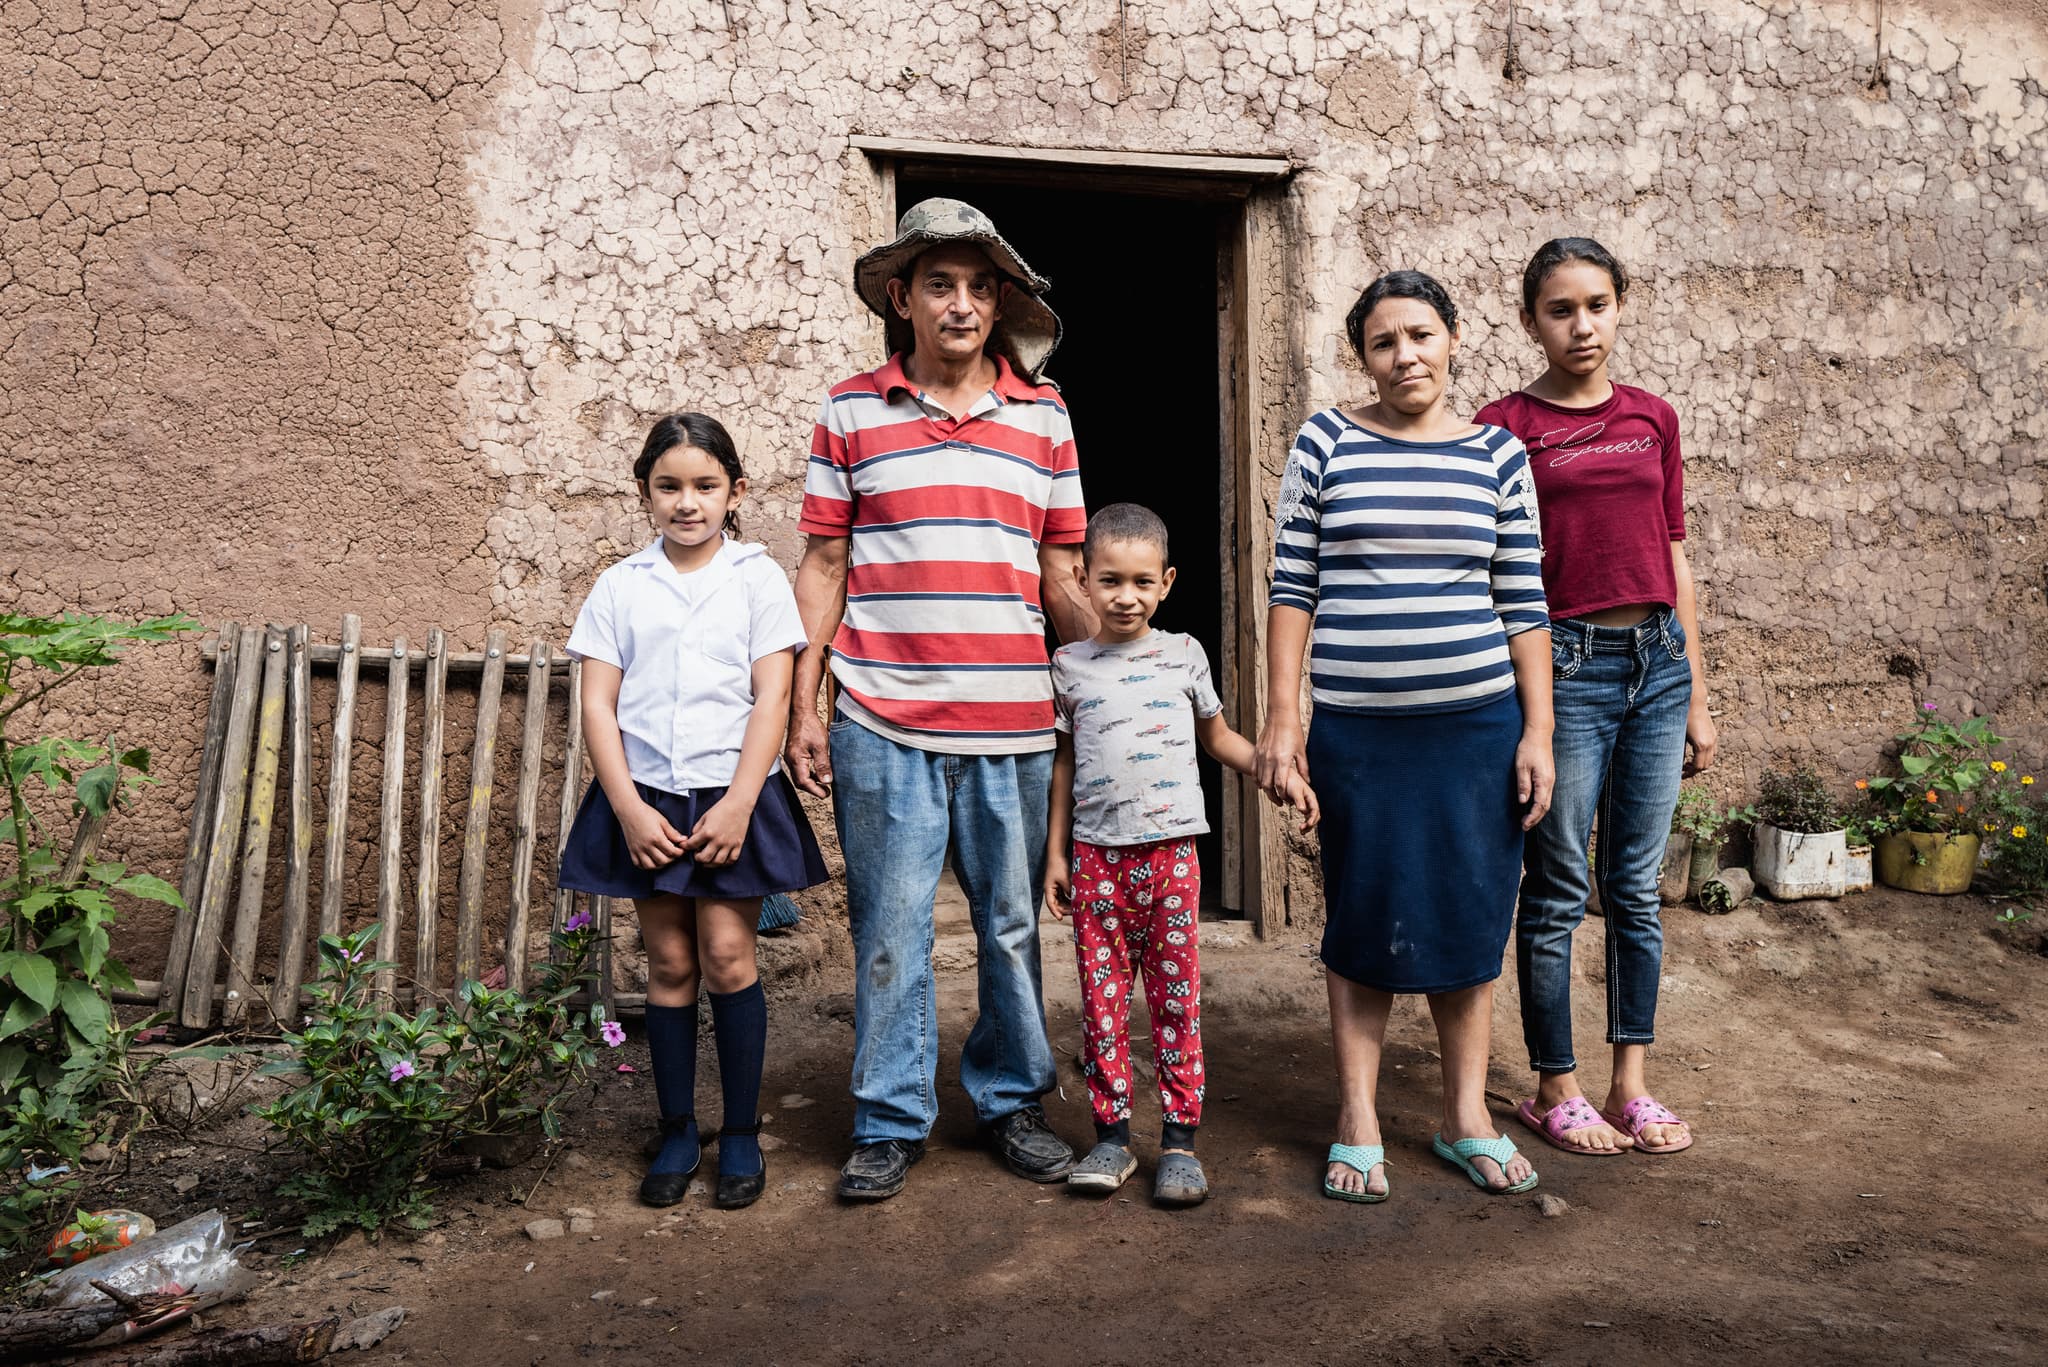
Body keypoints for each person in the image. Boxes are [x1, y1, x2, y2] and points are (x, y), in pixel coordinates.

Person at [786, 199, 1095, 1201]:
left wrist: (1118, 679)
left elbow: (1060, 573)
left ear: (997, 300)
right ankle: (887, 1115)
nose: (960, 303)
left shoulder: (1043, 417)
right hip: (880, 716)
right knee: (889, 924)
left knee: (1010, 923)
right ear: (899, 297)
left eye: (977, 285)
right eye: (938, 284)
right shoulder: (850, 411)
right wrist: (804, 706)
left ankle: (1009, 1099)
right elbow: (823, 564)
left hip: (1012, 719)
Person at [1254, 270, 1554, 1202]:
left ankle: (1467, 1116)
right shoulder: (1327, 442)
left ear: (1453, 340)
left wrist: (1537, 728)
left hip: (1475, 731)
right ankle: (1359, 1116)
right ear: (1363, 357)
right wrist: (1281, 718)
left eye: (1420, 335)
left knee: (1471, 912)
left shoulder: (1500, 455)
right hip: (1360, 736)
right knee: (1363, 912)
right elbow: (1292, 585)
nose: (1404, 356)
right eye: (1383, 342)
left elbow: (1524, 599)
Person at [557, 412, 828, 1210]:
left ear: (735, 491)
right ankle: (678, 1127)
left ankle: (739, 1133)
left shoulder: (755, 579)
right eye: (669, 487)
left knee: (727, 955)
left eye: (705, 486)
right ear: (645, 494)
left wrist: (744, 801)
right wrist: (629, 811)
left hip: (731, 792)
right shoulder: (621, 586)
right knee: (669, 963)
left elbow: (772, 693)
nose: (687, 503)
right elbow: (599, 707)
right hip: (646, 797)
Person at [1476, 238, 1710, 1158]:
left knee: (1636, 888)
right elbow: (1495, 567)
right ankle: (1554, 1086)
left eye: (1598, 304)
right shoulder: (1505, 426)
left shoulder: (1654, 417)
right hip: (1565, 666)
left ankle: (1631, 1085)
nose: (1583, 325)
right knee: (1559, 883)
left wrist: (1698, 689)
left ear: (1621, 307)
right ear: (1531, 320)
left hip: (1657, 660)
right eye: (1561, 310)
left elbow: (1675, 552)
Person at [1041, 503, 1319, 1207]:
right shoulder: (1069, 665)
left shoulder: (1184, 653)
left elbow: (1218, 738)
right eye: (1109, 580)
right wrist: (1055, 853)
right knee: (1102, 1005)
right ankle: (1109, 1137)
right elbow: (1064, 765)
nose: (1125, 596)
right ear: (1083, 578)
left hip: (1171, 860)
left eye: (1141, 581)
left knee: (1175, 1001)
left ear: (1166, 581)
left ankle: (1179, 1143)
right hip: (1098, 859)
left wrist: (1271, 766)